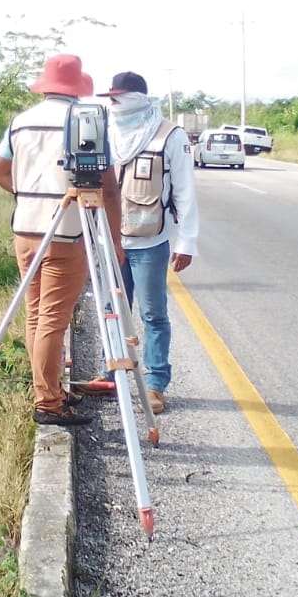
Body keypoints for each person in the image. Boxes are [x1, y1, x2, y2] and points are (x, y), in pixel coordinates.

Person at [0, 54, 123, 427]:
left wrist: (29, 195)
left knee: (36, 316)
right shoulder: (85, 121)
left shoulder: (21, 121)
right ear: (77, 89)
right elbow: (108, 189)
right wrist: (114, 240)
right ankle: (48, 402)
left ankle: (48, 390)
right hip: (68, 231)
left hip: (26, 230)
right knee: (53, 320)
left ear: (45, 86)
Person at [96, 71, 198, 414]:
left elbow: (184, 192)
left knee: (153, 314)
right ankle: (112, 374)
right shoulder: (105, 132)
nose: (114, 105)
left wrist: (187, 241)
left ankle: (155, 384)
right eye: (111, 99)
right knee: (111, 311)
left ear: (138, 100)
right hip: (110, 239)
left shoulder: (170, 135)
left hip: (150, 242)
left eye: (119, 98)